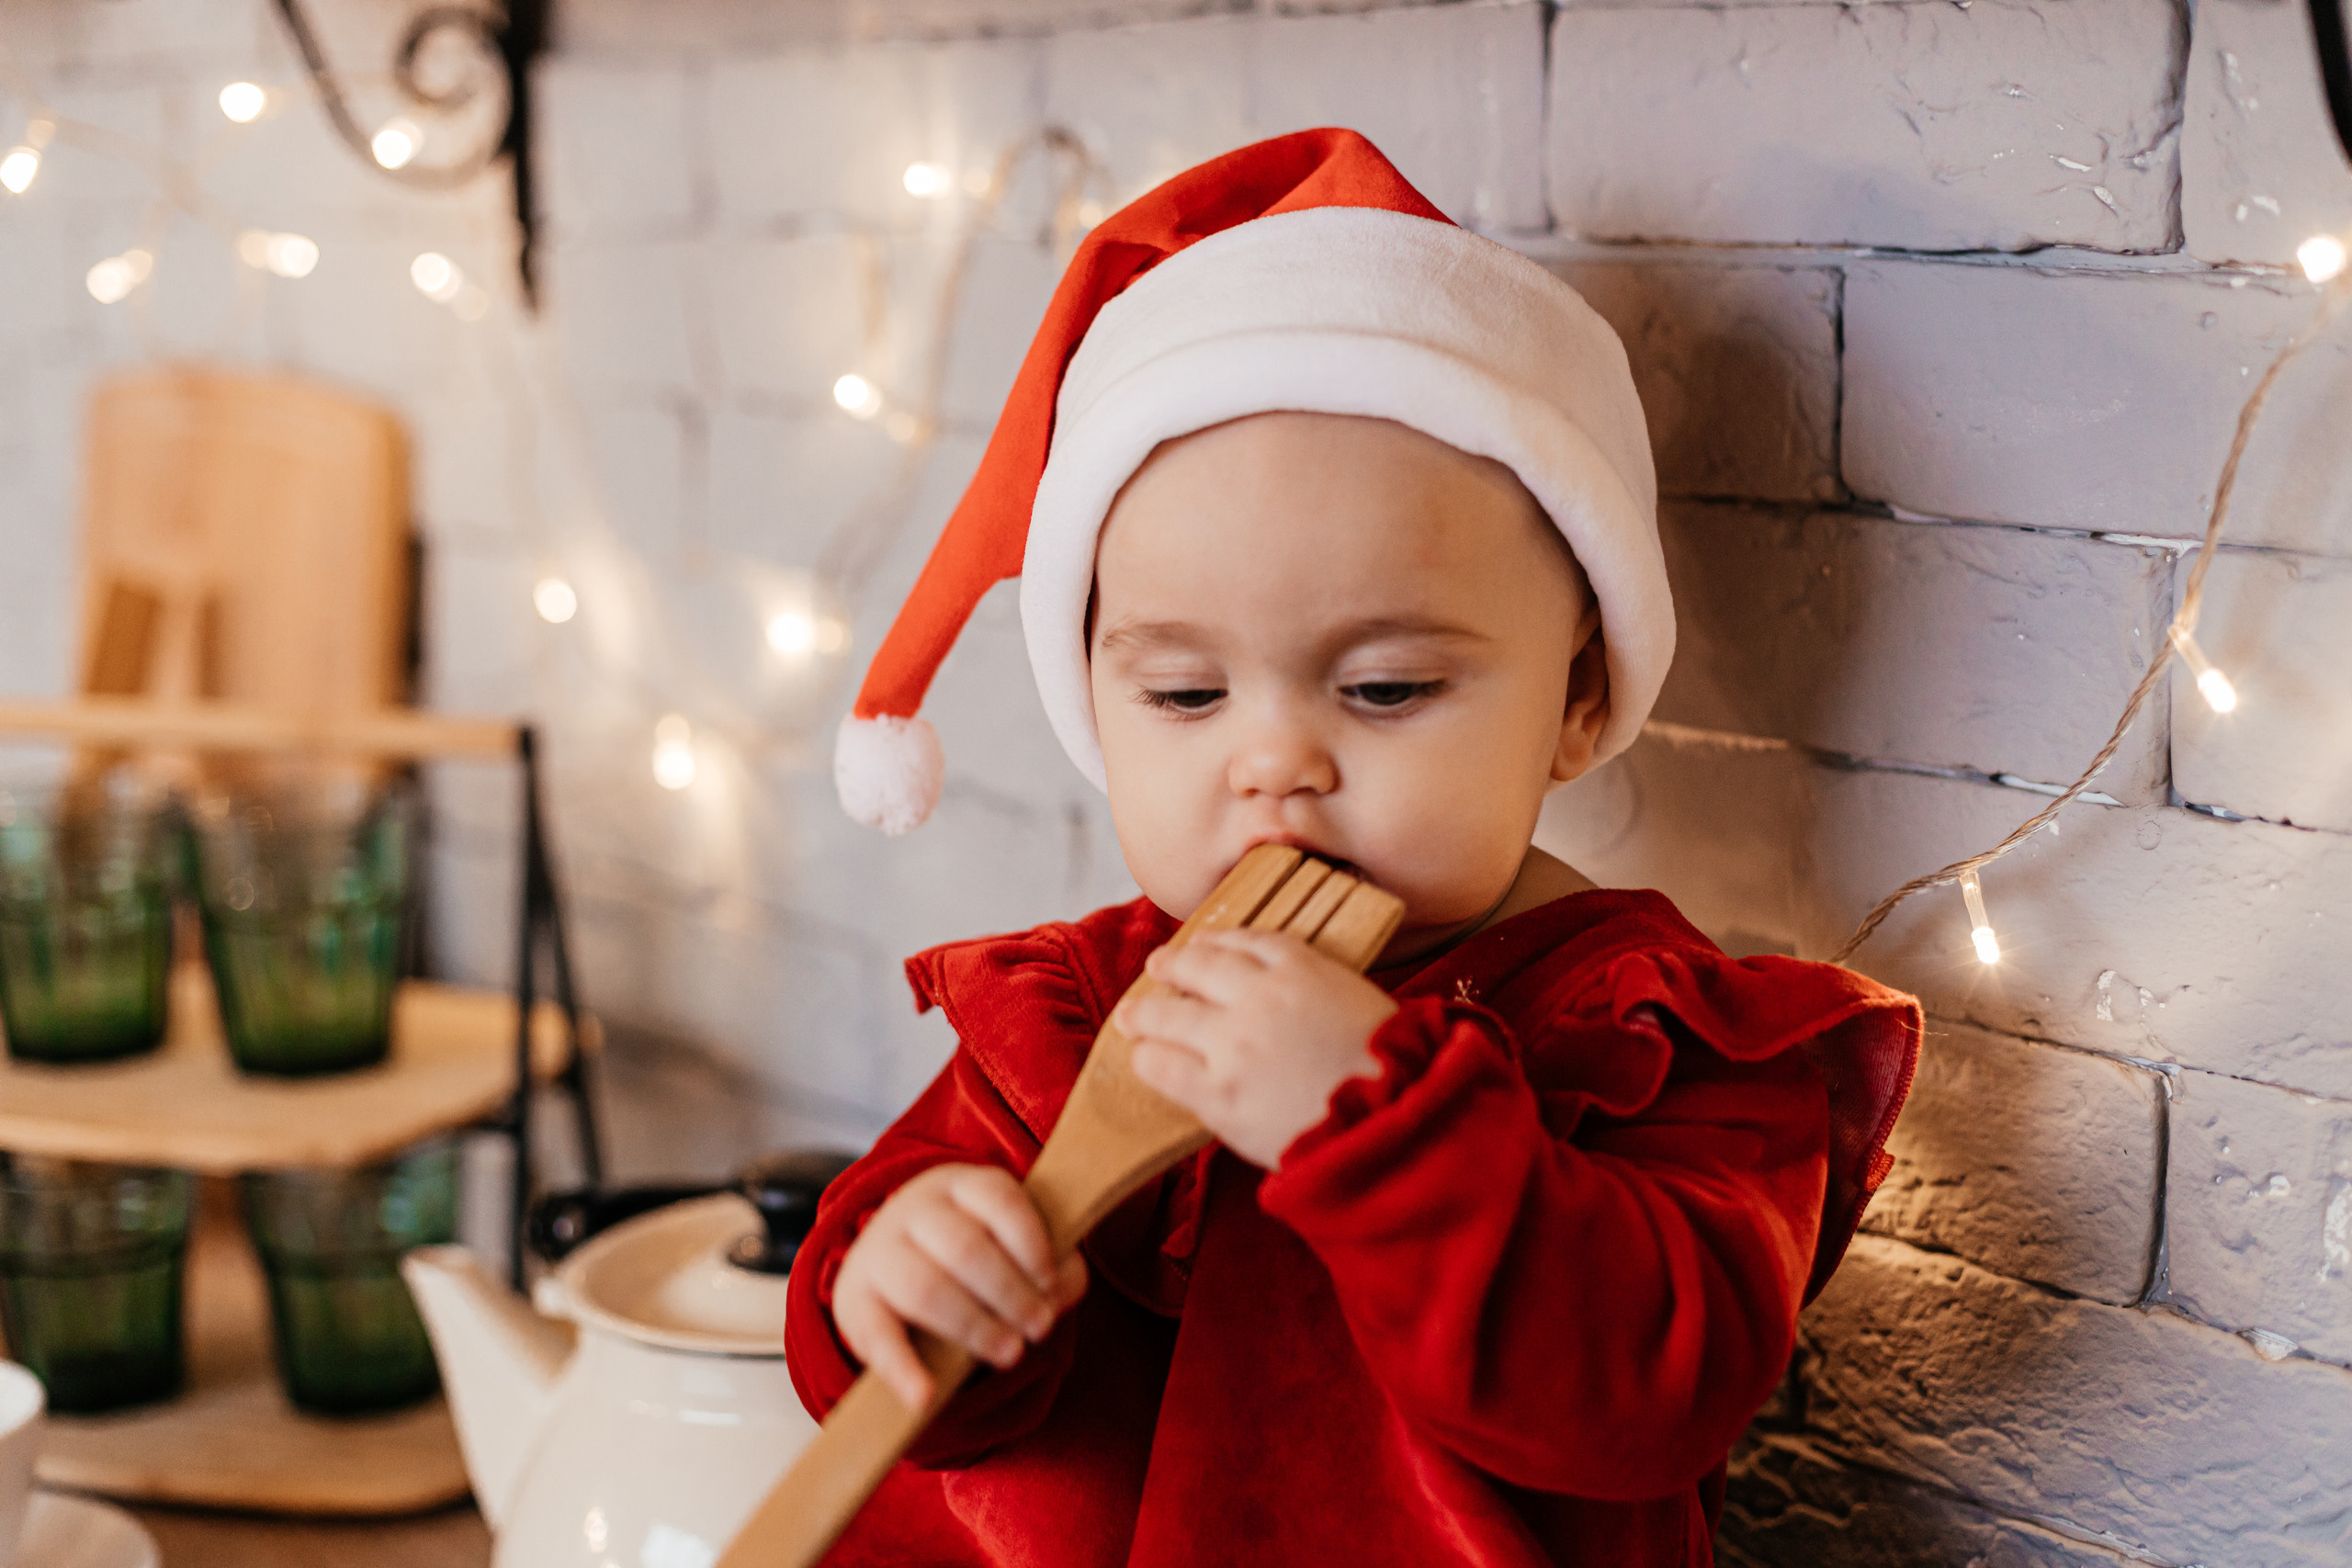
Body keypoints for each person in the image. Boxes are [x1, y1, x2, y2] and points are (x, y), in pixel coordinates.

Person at [790, 128, 1920, 1567]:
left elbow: (1659, 1395)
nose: (1274, 763)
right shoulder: (1075, 1023)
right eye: (1186, 694)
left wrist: (1375, 1117)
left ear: (1576, 697)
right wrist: (902, 1275)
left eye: (1383, 688)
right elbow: (906, 1377)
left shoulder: (1654, 1040)